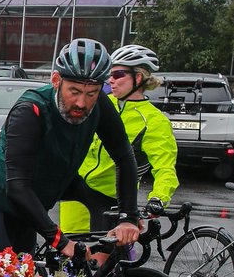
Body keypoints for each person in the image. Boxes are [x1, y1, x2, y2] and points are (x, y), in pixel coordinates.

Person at [0, 37, 141, 256]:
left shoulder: (99, 106)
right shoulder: (30, 111)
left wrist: (128, 217)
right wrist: (62, 242)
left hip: (30, 208)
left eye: (91, 93)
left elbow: (124, 156)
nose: (81, 103)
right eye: (74, 91)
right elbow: (17, 186)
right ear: (56, 80)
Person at [57, 43, 178, 234]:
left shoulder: (154, 120)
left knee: (105, 259)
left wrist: (158, 198)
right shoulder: (100, 103)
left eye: (118, 75)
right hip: (76, 193)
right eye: (109, 75)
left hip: (110, 201)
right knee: (68, 258)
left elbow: (165, 167)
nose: (110, 80)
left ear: (138, 77)